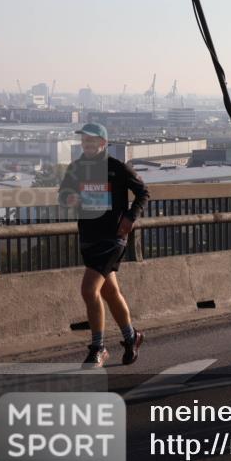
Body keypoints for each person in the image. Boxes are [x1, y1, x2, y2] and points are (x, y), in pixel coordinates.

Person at [57, 123, 149, 367]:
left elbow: (143, 193)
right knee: (109, 291)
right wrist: (69, 197)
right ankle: (132, 337)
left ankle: (98, 347)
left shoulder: (118, 168)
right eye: (84, 141)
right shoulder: (76, 168)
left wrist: (130, 217)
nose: (86, 145)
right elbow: (62, 195)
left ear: (102, 144)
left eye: (92, 141)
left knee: (89, 290)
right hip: (89, 237)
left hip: (113, 237)